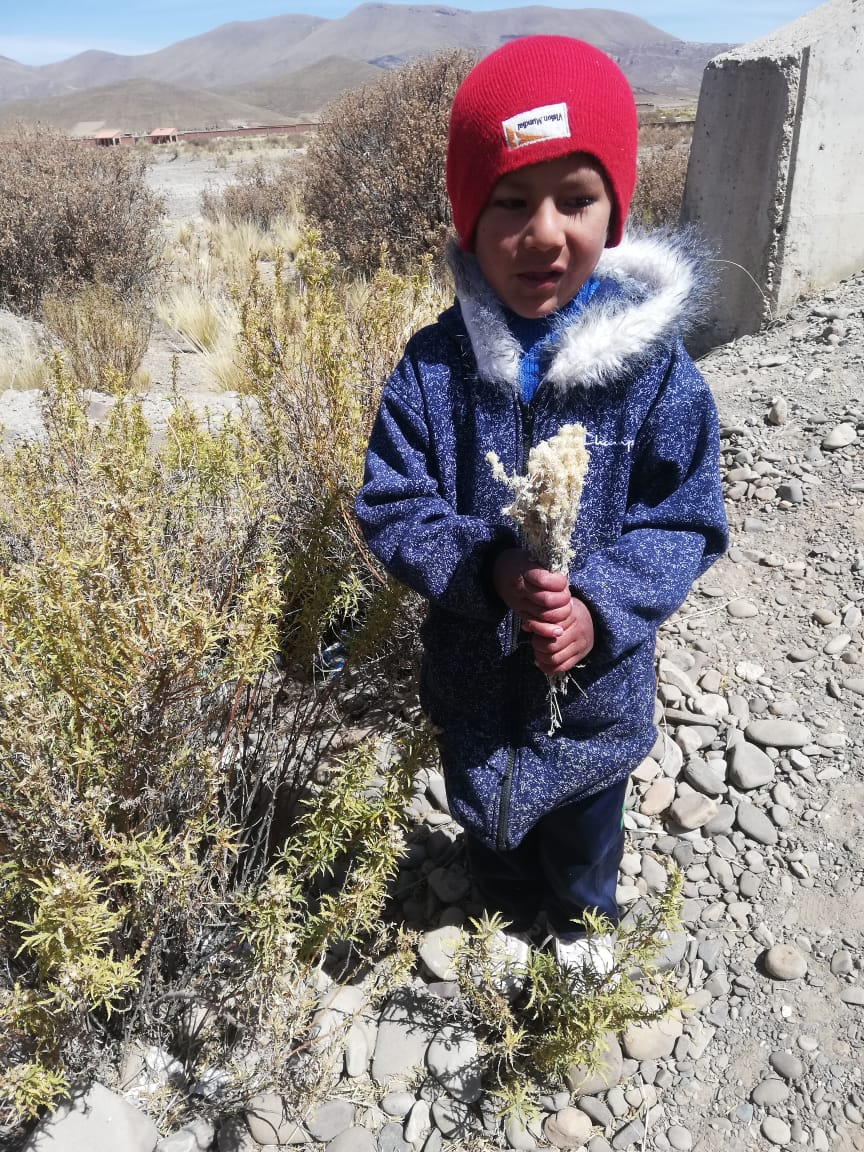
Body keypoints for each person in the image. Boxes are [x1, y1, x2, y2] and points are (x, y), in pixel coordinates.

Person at [354, 35, 728, 975]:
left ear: (615, 212)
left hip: (596, 701)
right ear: (469, 218)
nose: (546, 232)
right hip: (475, 689)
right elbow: (392, 501)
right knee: (488, 824)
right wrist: (486, 566)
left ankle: (579, 933)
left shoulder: (653, 374)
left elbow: (683, 517)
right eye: (511, 202)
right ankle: (502, 910)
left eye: (577, 199)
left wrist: (598, 607)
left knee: (584, 838)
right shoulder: (434, 369)